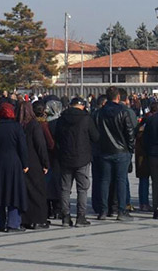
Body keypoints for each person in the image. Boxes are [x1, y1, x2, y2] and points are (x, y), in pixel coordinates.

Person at [53, 96, 100, 227]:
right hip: (82, 158)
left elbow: (56, 137)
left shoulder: (61, 119)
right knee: (82, 188)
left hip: (65, 157)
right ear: (82, 106)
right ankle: (81, 216)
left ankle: (66, 217)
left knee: (65, 189)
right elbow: (96, 137)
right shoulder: (86, 119)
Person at [0, 102, 28, 232]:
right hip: (13, 163)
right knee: (14, 193)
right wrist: (25, 164)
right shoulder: (17, 127)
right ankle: (13, 224)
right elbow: (22, 148)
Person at [94, 87, 134, 221]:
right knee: (121, 181)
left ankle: (103, 211)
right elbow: (129, 133)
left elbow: (95, 133)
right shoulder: (123, 112)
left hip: (104, 151)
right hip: (121, 151)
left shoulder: (99, 113)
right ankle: (121, 211)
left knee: (104, 181)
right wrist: (130, 150)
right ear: (118, 97)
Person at [17, 101, 50, 229]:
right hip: (34, 161)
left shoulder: (17, 124)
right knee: (38, 192)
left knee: (24, 191)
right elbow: (40, 145)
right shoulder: (34, 125)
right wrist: (45, 162)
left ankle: (25, 219)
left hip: (21, 161)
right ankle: (38, 219)